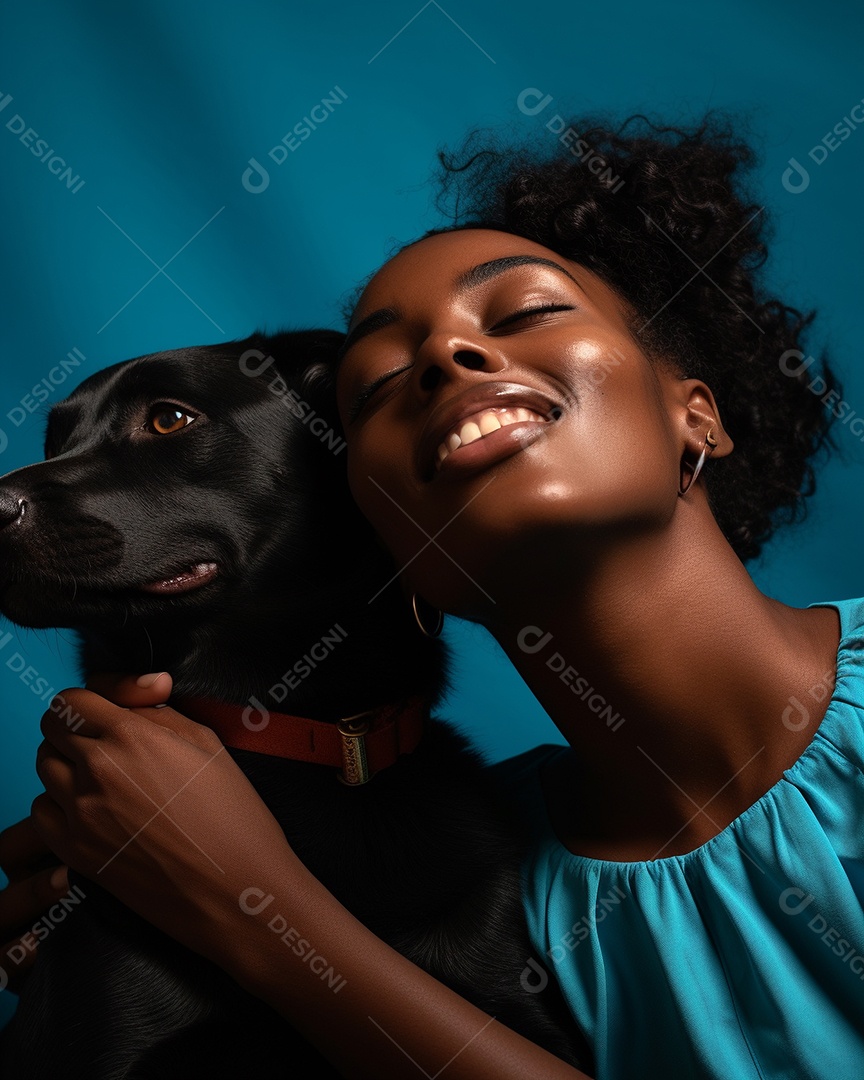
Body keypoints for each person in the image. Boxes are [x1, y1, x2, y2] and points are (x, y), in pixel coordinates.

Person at [3, 114, 863, 1078]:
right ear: (378, 532)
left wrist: (257, 907)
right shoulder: (510, 888)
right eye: (379, 386)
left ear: (694, 414)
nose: (448, 358)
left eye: (525, 313)